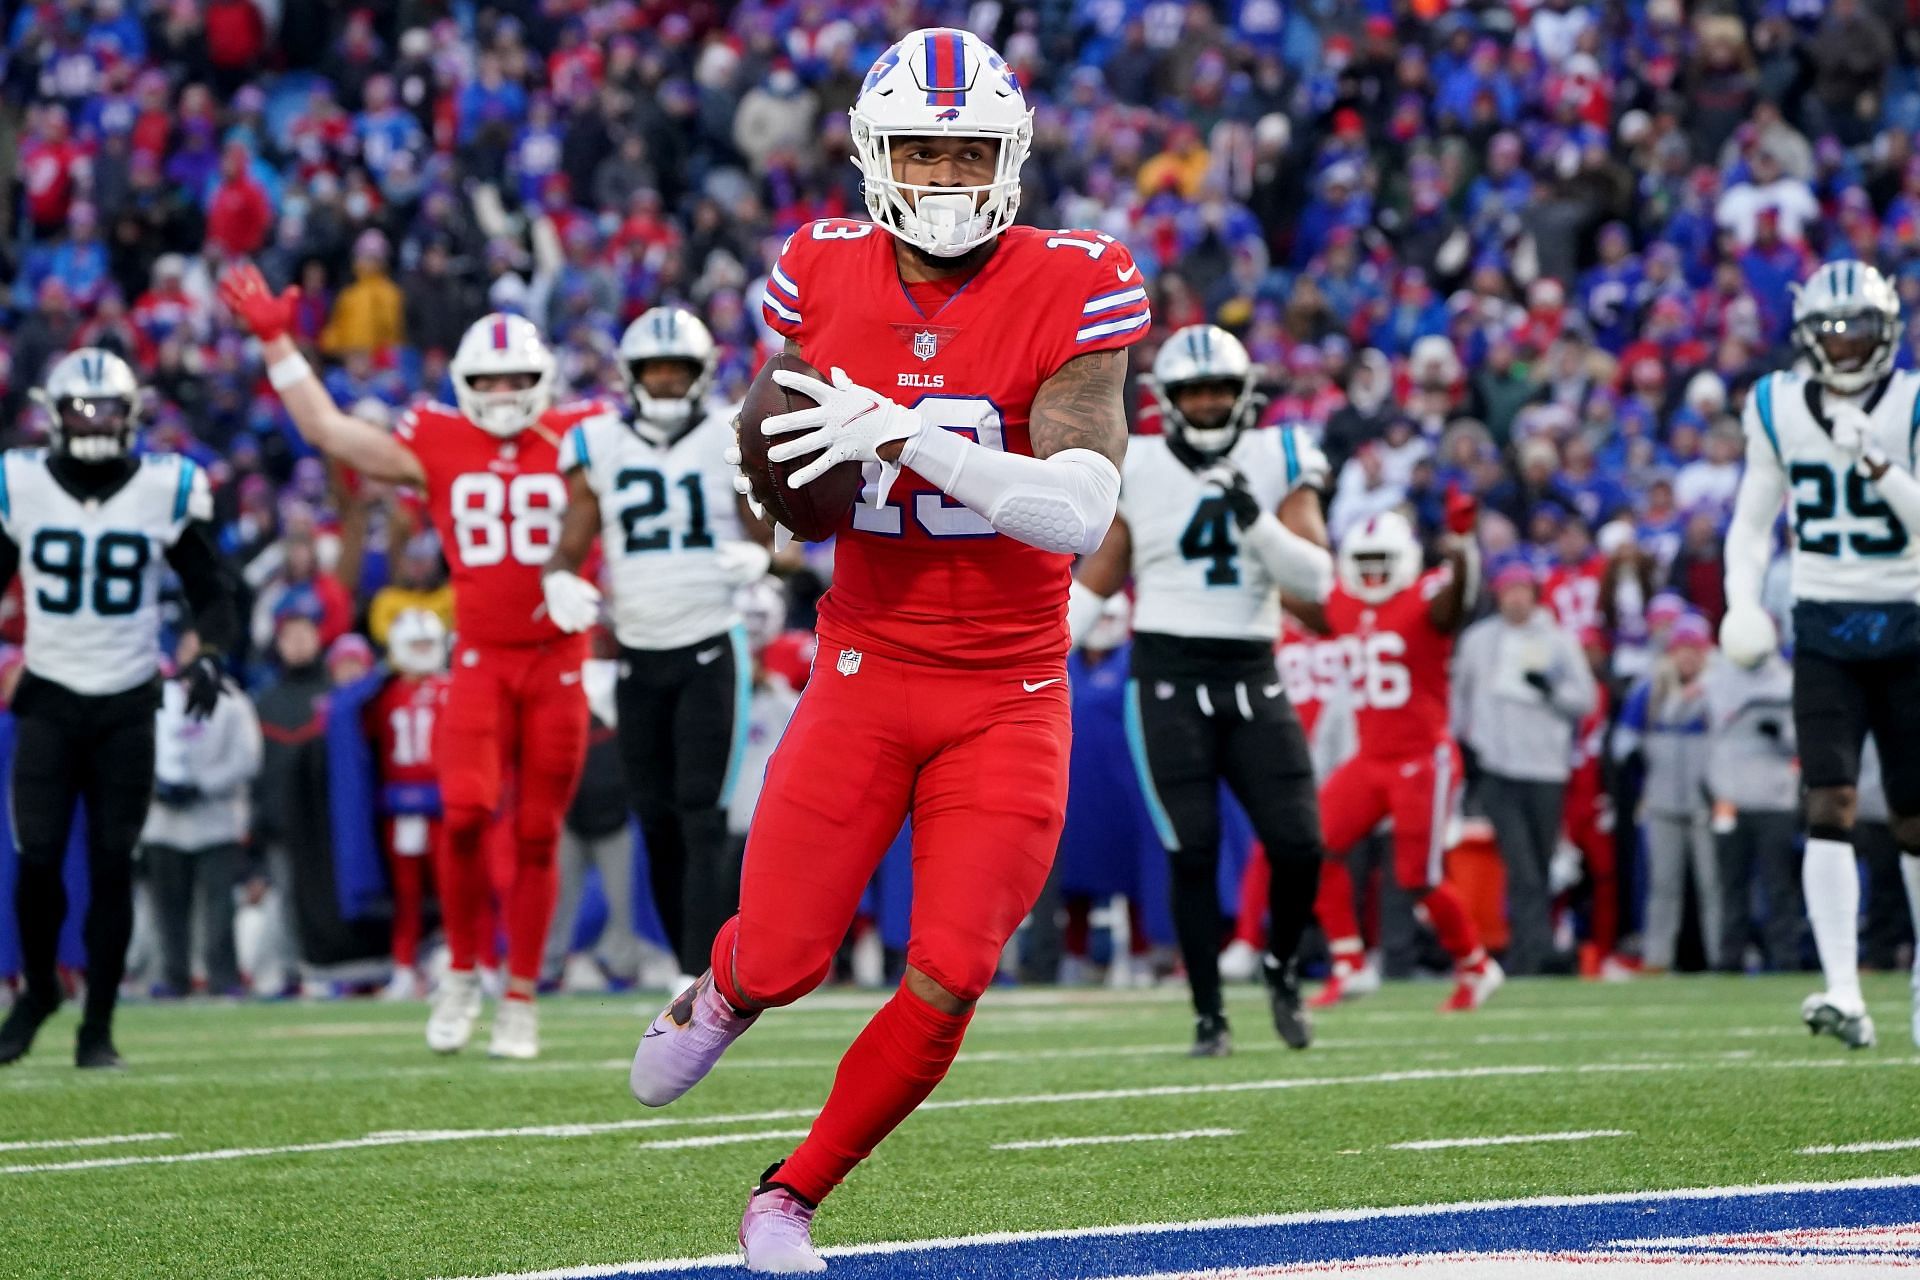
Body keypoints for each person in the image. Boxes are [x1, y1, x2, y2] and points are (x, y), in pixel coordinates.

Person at [626, 28, 1147, 1271]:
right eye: (925, 148)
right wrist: (781, 489)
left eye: (972, 151)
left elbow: (1078, 509)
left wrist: (909, 433)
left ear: (1012, 156)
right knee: (790, 950)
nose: (951, 175)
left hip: (1010, 685)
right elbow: (783, 475)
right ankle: (727, 986)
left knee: (956, 964)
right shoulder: (819, 267)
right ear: (875, 154)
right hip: (863, 667)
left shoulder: (1080, 279)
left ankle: (788, 1194)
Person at [219, 267, 603, 1060]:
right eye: (488, 379)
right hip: (484, 656)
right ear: (463, 382)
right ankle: (461, 971)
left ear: (545, 381)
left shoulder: (589, 431)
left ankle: (522, 995)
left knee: (535, 833)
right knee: (461, 814)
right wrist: (277, 341)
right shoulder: (437, 436)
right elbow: (328, 431)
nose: (502, 392)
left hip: (561, 660)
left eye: (517, 378)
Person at [1070, 323, 1334, 1054]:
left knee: (1300, 843)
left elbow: (1317, 579)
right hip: (1166, 673)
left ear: (1245, 392)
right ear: (1169, 398)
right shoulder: (1139, 461)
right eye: (1196, 390)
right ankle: (1209, 1015)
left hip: (1253, 667)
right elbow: (1099, 578)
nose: (1211, 402)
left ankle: (1280, 963)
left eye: (1221, 387)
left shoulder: (1279, 453)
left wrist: (1258, 522)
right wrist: (1038, 653)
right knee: (1192, 848)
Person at [0, 349, 237, 1067]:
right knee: (36, 859)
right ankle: (40, 989)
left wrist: (208, 653)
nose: (94, 421)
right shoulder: (22, 481)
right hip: (47, 694)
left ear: (131, 415)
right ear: (54, 414)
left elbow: (211, 587)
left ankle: (97, 1025)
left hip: (129, 700)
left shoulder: (164, 487)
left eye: (106, 408)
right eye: (80, 408)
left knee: (112, 863)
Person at [1719, 259, 1920, 1049]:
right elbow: (1749, 519)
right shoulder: (1773, 404)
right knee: (1827, 802)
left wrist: (1877, 464)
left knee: (1913, 816)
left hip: (1907, 619)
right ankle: (1844, 990)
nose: (1842, 348)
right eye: (1830, 333)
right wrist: (1740, 601)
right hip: (1824, 622)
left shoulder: (1908, 402)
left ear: (1885, 331)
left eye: (1856, 331)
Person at [544, 306, 771, 984]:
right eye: (655, 370)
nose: (668, 381)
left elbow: (769, 536)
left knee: (702, 812)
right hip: (636, 649)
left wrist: (765, 560)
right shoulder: (596, 443)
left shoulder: (731, 433)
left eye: (680, 370)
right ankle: (684, 960)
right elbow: (571, 543)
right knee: (655, 814)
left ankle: (698, 972)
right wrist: (558, 578)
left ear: (701, 375)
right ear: (632, 375)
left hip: (710, 639)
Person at [1292, 505, 1504, 1011]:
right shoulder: (1343, 602)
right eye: (1363, 561)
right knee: (1313, 848)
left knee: (1418, 877)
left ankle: (1476, 966)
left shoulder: (1425, 597)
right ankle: (1350, 962)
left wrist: (1464, 549)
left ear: (1405, 559)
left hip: (1421, 759)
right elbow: (1299, 601)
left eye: (1382, 561)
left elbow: (1458, 601)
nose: (1372, 573)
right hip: (1370, 758)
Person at [1453, 562, 1597, 976]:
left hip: (1545, 767)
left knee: (1540, 861)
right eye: (1507, 590)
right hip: (1496, 766)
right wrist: (1464, 746)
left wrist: (1551, 690)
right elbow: (1459, 699)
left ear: (1534, 595)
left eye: (1522, 591)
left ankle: (1536, 946)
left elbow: (1584, 700)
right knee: (1522, 865)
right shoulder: (1478, 641)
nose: (1515, 598)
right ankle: (1532, 952)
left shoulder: (1559, 641)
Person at [142, 630, 261, 998]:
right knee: (168, 908)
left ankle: (222, 976)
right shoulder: (157, 698)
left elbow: (247, 758)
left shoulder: (232, 701)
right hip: (164, 821)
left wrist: (202, 785)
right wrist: (156, 786)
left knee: (218, 908)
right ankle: (174, 976)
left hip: (214, 818)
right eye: (188, 649)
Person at [1618, 615, 1721, 972]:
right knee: (1663, 885)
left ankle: (1721, 957)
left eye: (1695, 650)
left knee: (1713, 885)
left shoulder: (1718, 689)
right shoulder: (1651, 689)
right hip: (1661, 800)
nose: (1688, 658)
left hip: (1706, 801)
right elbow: (1623, 743)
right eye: (1682, 650)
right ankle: (1657, 958)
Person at [1703, 638, 1803, 972]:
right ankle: (1730, 957)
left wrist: (1783, 736)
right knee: (1731, 884)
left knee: (1778, 885)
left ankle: (1785, 957)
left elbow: (1804, 738)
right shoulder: (1715, 678)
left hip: (1775, 800)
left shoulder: (1786, 681)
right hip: (1730, 799)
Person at [367, 609, 450, 999]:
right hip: (401, 805)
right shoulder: (383, 693)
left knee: (456, 889)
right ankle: (404, 967)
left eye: (427, 644)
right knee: (407, 895)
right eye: (415, 644)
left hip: (444, 804)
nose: (422, 652)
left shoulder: (449, 688)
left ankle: (460, 964)